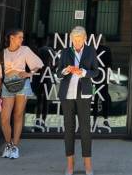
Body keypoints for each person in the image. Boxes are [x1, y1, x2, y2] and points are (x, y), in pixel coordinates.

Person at [0, 29, 44, 159]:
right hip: (7, 85)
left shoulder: (25, 50)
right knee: (5, 118)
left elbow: (38, 64)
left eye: (22, 37)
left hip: (23, 84)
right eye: (19, 37)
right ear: (11, 38)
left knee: (18, 115)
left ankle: (15, 147)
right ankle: (8, 144)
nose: (22, 40)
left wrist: (29, 73)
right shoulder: (2, 53)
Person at [57, 26, 100, 175]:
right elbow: (58, 72)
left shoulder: (90, 51)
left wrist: (84, 72)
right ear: (71, 39)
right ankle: (70, 164)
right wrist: (66, 70)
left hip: (84, 94)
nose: (76, 42)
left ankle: (88, 165)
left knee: (85, 130)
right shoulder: (65, 51)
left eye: (79, 39)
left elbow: (96, 71)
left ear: (85, 39)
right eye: (74, 39)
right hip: (67, 95)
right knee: (68, 129)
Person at [32, 36, 56, 131]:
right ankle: (43, 121)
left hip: (39, 76)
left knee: (39, 99)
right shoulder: (50, 51)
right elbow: (56, 63)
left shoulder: (38, 51)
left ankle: (38, 120)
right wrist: (52, 70)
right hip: (48, 76)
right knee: (46, 100)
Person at [93, 35, 112, 129]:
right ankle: (105, 119)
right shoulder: (107, 50)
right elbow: (110, 64)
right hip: (103, 76)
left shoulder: (93, 50)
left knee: (95, 98)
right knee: (104, 98)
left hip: (95, 77)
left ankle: (94, 121)